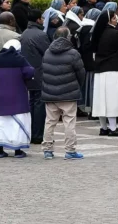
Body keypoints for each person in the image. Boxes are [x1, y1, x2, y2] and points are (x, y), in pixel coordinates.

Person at [41, 26, 85, 160]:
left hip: (50, 93)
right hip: (68, 93)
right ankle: (70, 150)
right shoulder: (73, 53)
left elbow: (44, 71)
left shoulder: (47, 52)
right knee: (69, 122)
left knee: (50, 122)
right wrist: (77, 87)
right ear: (68, 36)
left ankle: (47, 149)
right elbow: (81, 73)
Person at [0, 39, 35, 158]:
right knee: (17, 124)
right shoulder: (19, 59)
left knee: (0, 123)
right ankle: (17, 150)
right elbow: (29, 72)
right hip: (17, 95)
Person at [92, 8, 118, 137]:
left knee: (101, 101)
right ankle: (113, 128)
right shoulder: (114, 33)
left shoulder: (97, 33)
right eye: (114, 18)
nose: (116, 21)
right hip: (113, 68)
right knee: (113, 100)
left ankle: (103, 128)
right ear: (109, 21)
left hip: (100, 70)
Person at [20, 13, 50, 145]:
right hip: (39, 72)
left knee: (31, 102)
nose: (44, 20)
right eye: (42, 18)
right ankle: (37, 135)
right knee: (39, 103)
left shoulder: (24, 33)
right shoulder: (41, 35)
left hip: (28, 72)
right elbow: (48, 52)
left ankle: (30, 132)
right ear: (38, 19)